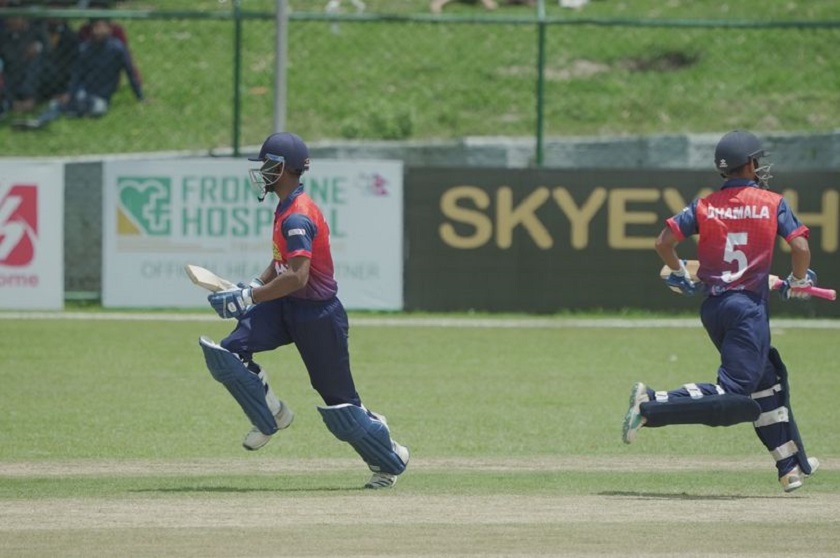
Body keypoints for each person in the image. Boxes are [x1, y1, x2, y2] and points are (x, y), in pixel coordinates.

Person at [198, 132, 410, 490]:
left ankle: (389, 459)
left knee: (341, 407)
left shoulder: (298, 216)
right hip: (286, 306)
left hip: (317, 316)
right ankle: (273, 415)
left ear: (281, 168)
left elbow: (298, 277)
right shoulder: (286, 207)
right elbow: (281, 262)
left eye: (266, 165)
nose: (261, 172)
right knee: (227, 354)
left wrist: (249, 297)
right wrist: (253, 284)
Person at [622, 129, 821, 493]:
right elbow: (801, 248)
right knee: (735, 395)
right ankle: (651, 403)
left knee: (766, 382)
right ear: (750, 164)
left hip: (715, 307)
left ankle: (789, 466)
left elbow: (663, 242)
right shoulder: (772, 202)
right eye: (757, 161)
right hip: (748, 310)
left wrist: (680, 272)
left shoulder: (704, 205)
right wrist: (797, 279)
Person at [14, 17, 143, 129]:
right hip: (82, 93)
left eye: (101, 26)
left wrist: (140, 97)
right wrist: (70, 93)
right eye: (96, 27)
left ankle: (74, 112)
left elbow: (130, 72)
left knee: (99, 108)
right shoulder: (85, 49)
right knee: (57, 104)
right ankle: (39, 121)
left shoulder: (118, 49)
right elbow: (77, 75)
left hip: (100, 97)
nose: (98, 30)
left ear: (109, 29)